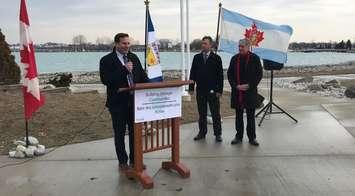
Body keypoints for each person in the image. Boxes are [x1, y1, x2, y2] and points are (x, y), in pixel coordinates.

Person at [99, 33, 148, 171]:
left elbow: (142, 77)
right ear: (116, 44)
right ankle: (122, 162)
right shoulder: (106, 60)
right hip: (117, 103)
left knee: (135, 133)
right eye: (124, 43)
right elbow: (106, 80)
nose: (127, 46)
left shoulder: (134, 57)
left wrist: (156, 86)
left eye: (128, 43)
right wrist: (124, 69)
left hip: (134, 103)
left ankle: (135, 160)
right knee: (119, 134)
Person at [227, 39, 263, 146]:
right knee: (238, 116)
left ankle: (252, 138)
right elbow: (230, 75)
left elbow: (259, 75)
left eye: (242, 46)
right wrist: (236, 86)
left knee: (250, 116)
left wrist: (249, 85)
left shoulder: (255, 58)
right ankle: (238, 136)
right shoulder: (234, 59)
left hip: (250, 92)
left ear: (248, 47)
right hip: (237, 92)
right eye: (239, 46)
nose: (240, 48)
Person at [189, 36, 224, 142]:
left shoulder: (216, 58)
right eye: (202, 43)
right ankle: (202, 133)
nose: (203, 45)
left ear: (210, 45)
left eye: (205, 43)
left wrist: (219, 90)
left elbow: (220, 76)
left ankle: (218, 134)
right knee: (202, 113)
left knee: (215, 113)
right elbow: (193, 73)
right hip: (200, 90)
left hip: (213, 90)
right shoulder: (197, 58)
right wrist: (191, 88)